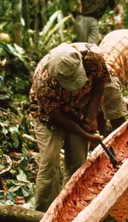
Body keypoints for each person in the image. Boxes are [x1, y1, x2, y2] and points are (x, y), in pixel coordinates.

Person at [30, 43, 109, 212]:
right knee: (49, 162)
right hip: (48, 117)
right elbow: (57, 116)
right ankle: (43, 213)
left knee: (77, 162)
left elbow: (100, 83)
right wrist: (86, 135)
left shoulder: (93, 57)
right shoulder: (42, 80)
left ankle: (69, 208)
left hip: (80, 108)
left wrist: (91, 115)